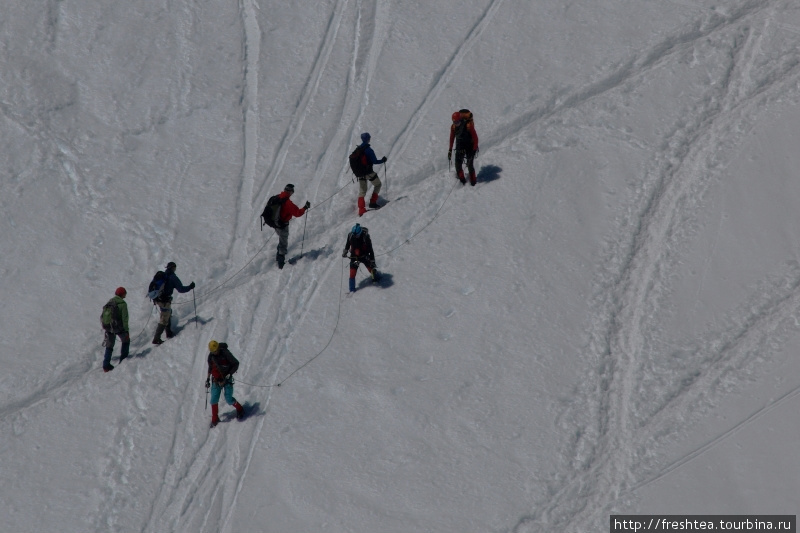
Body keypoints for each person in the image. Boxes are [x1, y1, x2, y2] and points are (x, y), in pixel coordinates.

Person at [152, 261, 195, 345]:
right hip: (165, 301)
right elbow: (181, 289)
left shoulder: (162, 276)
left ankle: (168, 332)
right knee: (164, 318)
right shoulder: (172, 277)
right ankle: (157, 338)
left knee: (168, 313)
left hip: (158, 299)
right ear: (173, 268)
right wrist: (190, 287)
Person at [206, 340, 245, 427]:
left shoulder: (225, 353)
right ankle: (215, 418)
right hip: (216, 380)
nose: (215, 352)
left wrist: (229, 374)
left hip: (226, 379)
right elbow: (210, 368)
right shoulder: (211, 356)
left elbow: (236, 363)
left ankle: (240, 409)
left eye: (216, 350)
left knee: (229, 399)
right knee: (213, 400)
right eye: (213, 351)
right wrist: (208, 379)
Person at [272, 183, 310, 269]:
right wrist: (305, 207)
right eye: (292, 192)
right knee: (283, 243)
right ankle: (280, 264)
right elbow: (297, 213)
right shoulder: (287, 203)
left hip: (275, 223)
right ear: (290, 191)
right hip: (282, 225)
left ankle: (278, 258)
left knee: (281, 240)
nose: (292, 194)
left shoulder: (278, 197)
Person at [353, 132, 387, 216]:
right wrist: (383, 160)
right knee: (378, 184)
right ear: (368, 139)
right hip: (368, 172)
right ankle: (372, 202)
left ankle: (361, 210)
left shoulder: (358, 149)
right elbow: (374, 161)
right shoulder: (369, 150)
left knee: (362, 191)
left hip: (360, 174)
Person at [342, 223, 380, 292]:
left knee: (371, 269)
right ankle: (352, 290)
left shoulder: (366, 238)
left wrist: (372, 261)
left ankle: (377, 278)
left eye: (356, 235)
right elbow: (348, 244)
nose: (355, 236)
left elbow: (371, 250)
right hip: (354, 257)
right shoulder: (350, 235)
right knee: (352, 273)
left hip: (364, 256)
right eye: (354, 235)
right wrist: (345, 251)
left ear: (360, 233)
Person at [101, 287, 130, 372]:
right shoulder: (123, 304)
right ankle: (123, 360)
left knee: (109, 346)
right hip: (118, 327)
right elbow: (125, 319)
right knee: (126, 341)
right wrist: (126, 330)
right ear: (122, 294)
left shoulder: (110, 302)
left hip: (109, 327)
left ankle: (106, 365)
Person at [448, 109, 479, 186]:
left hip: (470, 146)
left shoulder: (468, 125)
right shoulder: (453, 127)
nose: (456, 124)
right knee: (458, 165)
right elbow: (452, 138)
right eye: (454, 122)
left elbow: (475, 138)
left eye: (457, 122)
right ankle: (462, 181)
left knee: (470, 164)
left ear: (460, 120)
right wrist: (450, 150)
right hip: (459, 146)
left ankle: (473, 182)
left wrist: (474, 150)